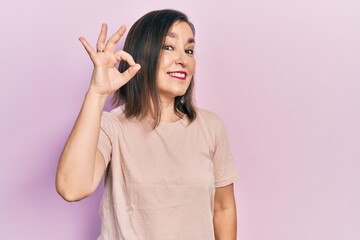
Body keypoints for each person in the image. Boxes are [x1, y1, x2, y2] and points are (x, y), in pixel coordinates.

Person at [56, 9, 239, 240]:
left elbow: (223, 208)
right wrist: (97, 93)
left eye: (189, 50)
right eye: (169, 47)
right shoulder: (112, 126)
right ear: (143, 53)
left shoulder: (211, 127)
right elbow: (71, 188)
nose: (183, 60)